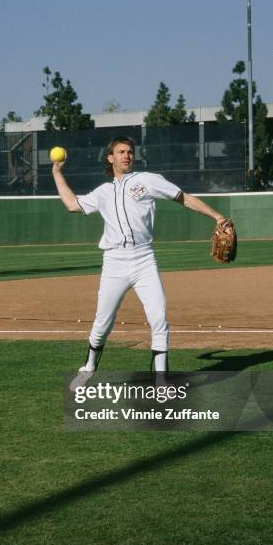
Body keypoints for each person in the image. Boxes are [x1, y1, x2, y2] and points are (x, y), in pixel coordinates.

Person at [52, 136, 228, 375]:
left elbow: (183, 197)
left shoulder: (148, 180)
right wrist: (57, 172)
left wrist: (216, 216)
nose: (127, 155)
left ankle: (161, 379)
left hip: (144, 258)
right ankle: (90, 365)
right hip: (114, 261)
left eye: (130, 152)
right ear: (110, 158)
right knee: (103, 323)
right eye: (121, 152)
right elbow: (72, 204)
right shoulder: (103, 192)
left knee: (159, 318)